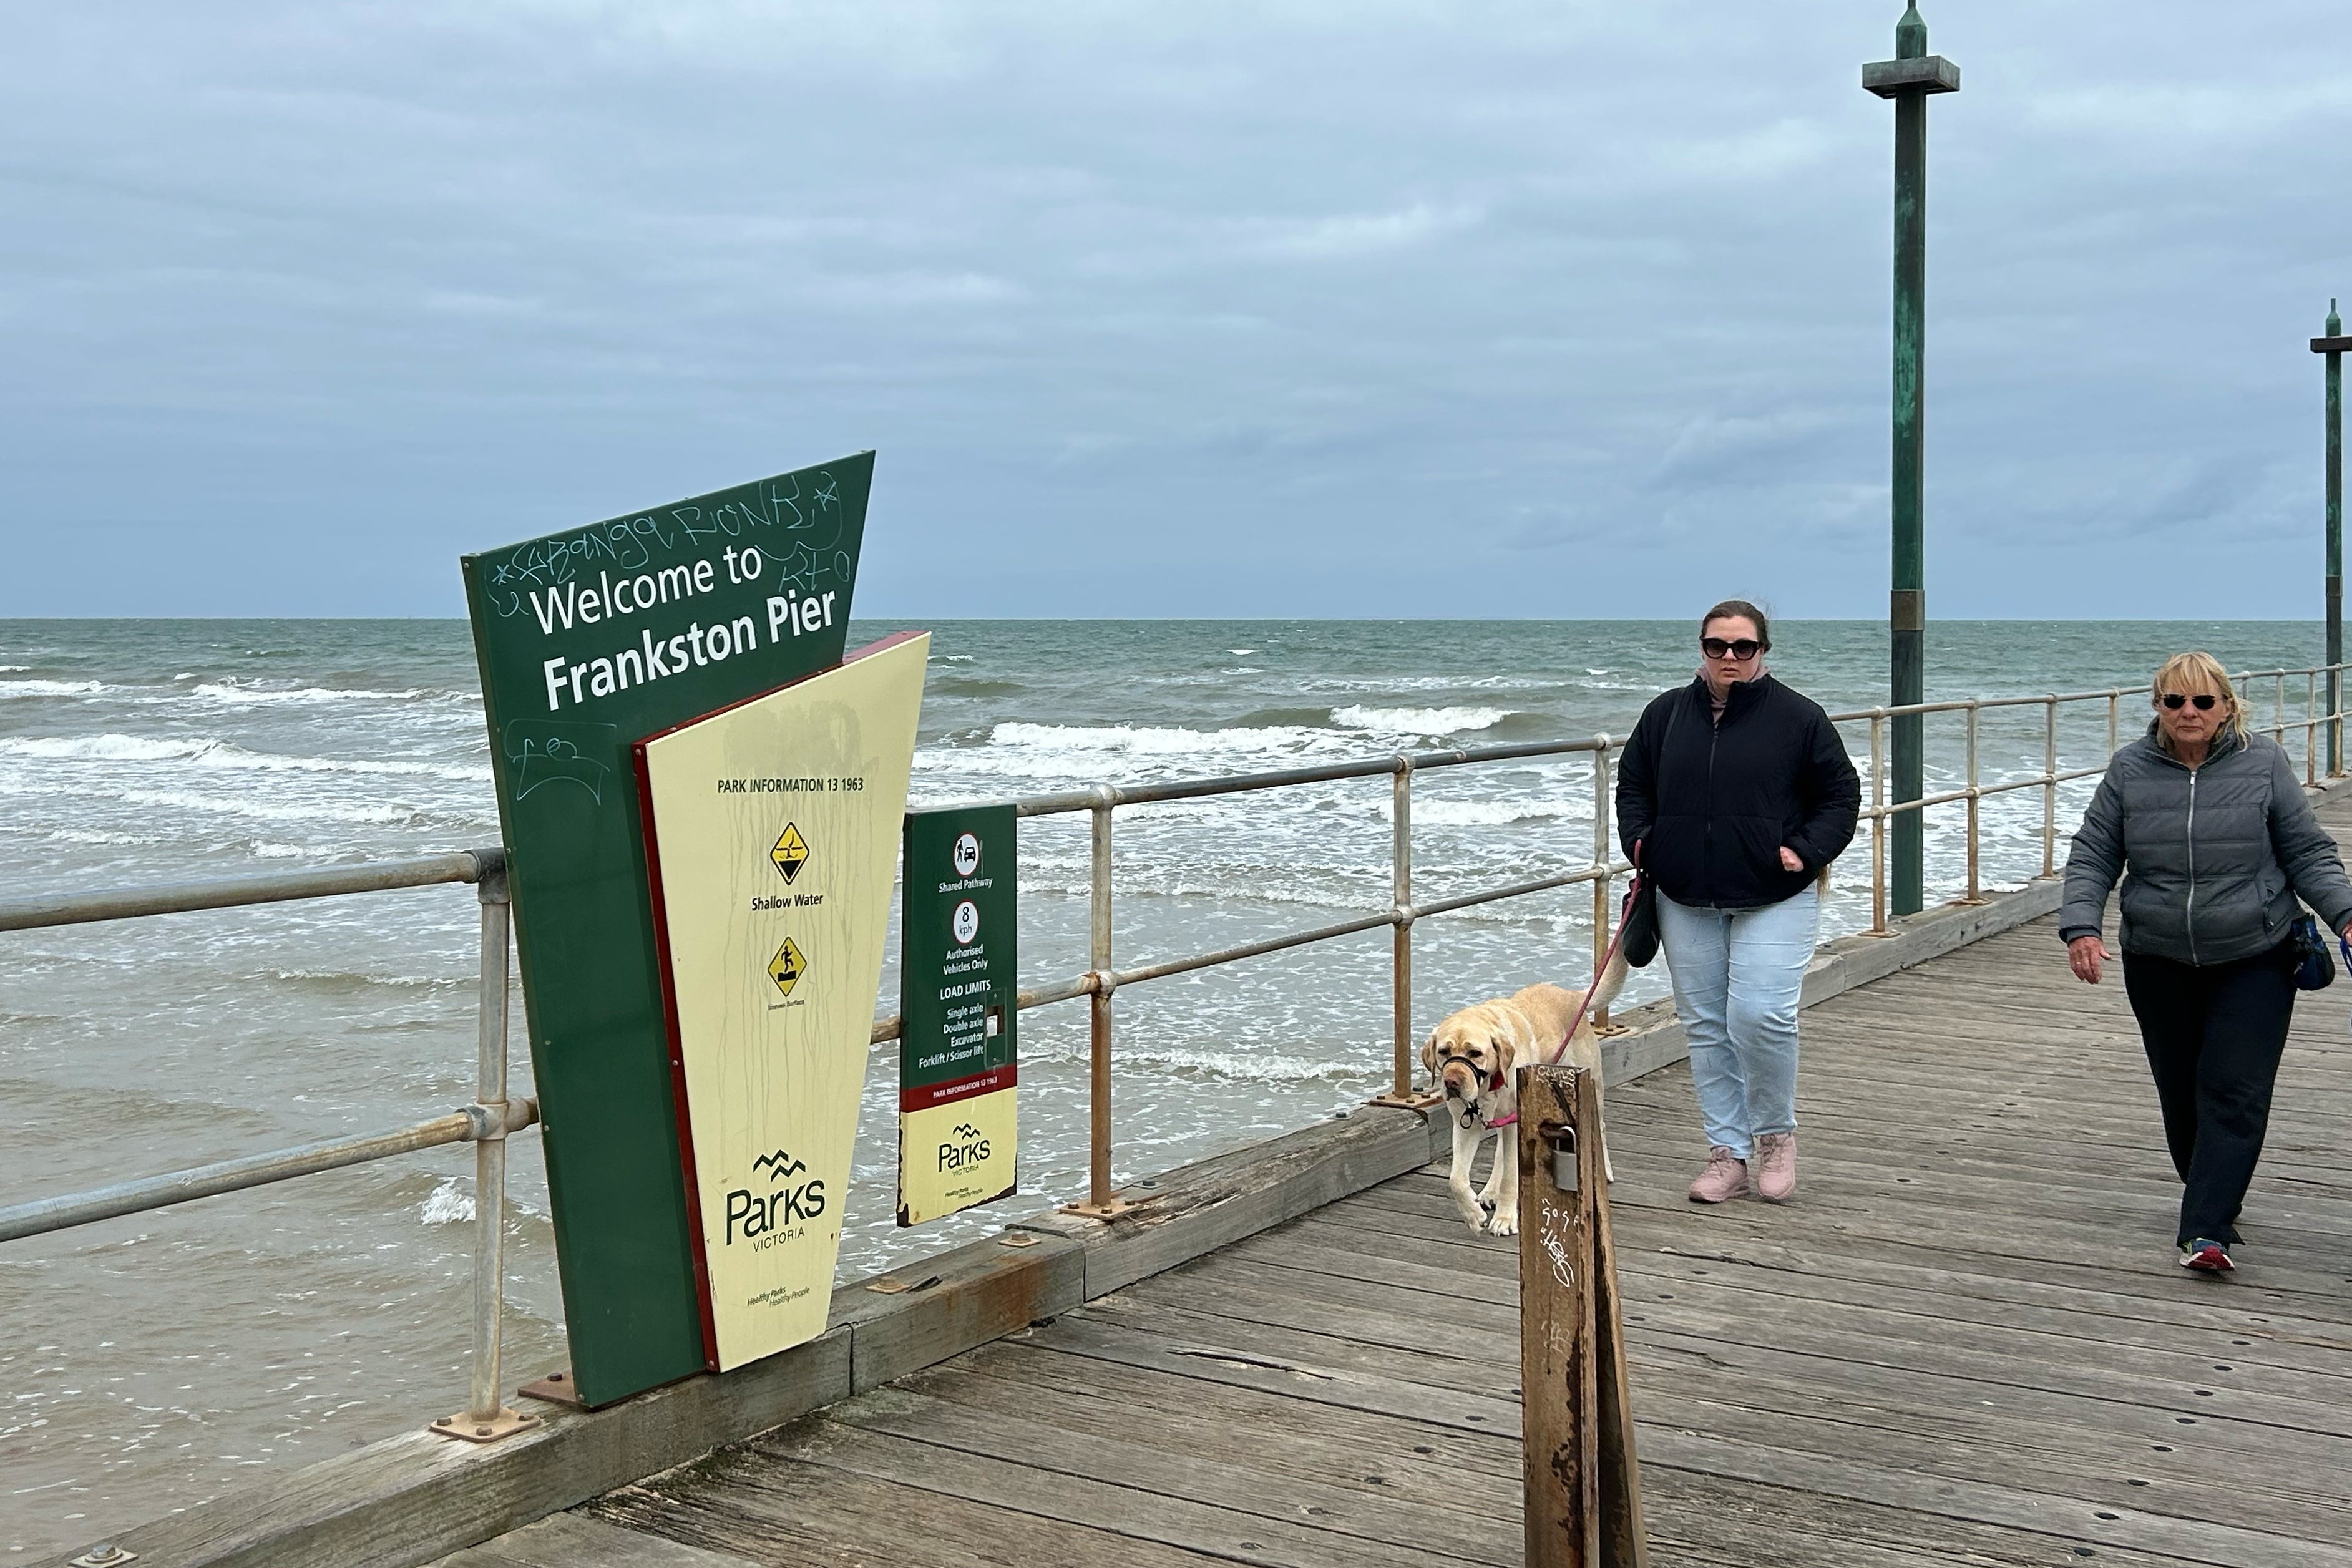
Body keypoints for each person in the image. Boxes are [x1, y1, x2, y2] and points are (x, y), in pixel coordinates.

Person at [2059, 651, 2352, 1273]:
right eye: (2174, 701)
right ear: (2157, 707)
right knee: (2181, 1091)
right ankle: (2215, 1188)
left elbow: (2306, 849)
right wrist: (2080, 926)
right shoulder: (2129, 769)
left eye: (2201, 701)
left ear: (2226, 706)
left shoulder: (2263, 762)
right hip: (2157, 955)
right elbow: (2092, 853)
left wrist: (2346, 913)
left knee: (2234, 1087)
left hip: (2255, 952)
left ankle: (2205, 1229)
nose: (2187, 712)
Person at [1615, 600, 1860, 1204]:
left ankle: (1776, 1135)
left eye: (1742, 646)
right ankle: (1727, 1151)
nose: (1728, 656)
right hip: (1683, 893)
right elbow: (1632, 783)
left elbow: (1841, 794)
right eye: (1716, 645)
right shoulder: (1665, 715)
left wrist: (1804, 850)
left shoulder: (1799, 718)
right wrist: (1643, 841)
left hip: (1774, 893)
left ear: (1762, 651)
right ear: (1700, 647)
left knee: (1759, 1014)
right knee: (1704, 1026)